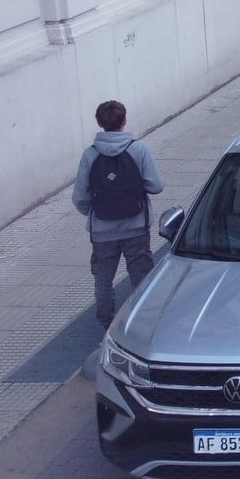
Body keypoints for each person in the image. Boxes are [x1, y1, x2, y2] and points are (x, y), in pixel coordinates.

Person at [73, 100, 165, 326]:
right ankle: (141, 321)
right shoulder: (139, 149)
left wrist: (97, 214)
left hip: (103, 232)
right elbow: (156, 186)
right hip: (136, 228)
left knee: (103, 279)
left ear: (100, 123)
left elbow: (80, 198)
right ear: (124, 120)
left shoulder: (89, 155)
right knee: (141, 276)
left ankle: (107, 323)